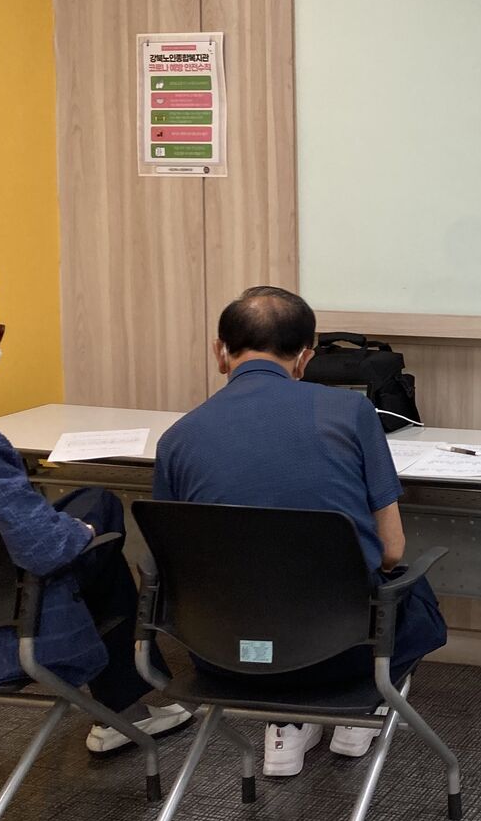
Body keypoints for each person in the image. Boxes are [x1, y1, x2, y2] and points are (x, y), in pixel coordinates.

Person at [0, 257, 190, 753]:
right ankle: (125, 701)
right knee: (100, 517)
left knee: (87, 504)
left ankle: (127, 703)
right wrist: (81, 533)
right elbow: (45, 552)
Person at [154, 286, 446, 778]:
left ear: (219, 352)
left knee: (258, 584)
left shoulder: (176, 438)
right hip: (341, 654)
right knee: (412, 593)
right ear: (305, 358)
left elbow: (171, 561)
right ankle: (361, 708)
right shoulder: (350, 413)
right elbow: (391, 550)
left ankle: (286, 724)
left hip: (221, 657)